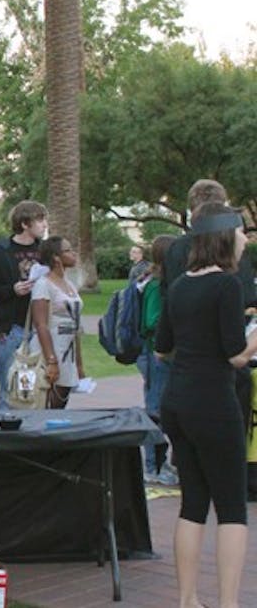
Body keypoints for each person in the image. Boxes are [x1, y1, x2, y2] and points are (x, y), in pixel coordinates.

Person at [154, 202, 257, 608]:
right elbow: (235, 355)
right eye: (241, 232)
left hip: (177, 400)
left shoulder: (180, 284)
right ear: (224, 237)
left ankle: (187, 599)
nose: (246, 239)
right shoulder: (227, 286)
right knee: (232, 507)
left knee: (193, 502)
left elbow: (162, 348)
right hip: (213, 402)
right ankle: (229, 603)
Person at [0, 200, 47, 411]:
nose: (44, 225)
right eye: (40, 220)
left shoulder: (44, 251)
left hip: (40, 327)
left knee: (34, 388)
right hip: (12, 328)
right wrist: (11, 290)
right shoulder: (0, 251)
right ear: (25, 223)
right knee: (10, 384)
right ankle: (6, 432)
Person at [138, 234, 178, 485]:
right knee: (156, 410)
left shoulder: (167, 283)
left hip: (167, 354)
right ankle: (153, 466)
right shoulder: (155, 285)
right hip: (156, 354)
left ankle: (163, 462)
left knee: (166, 409)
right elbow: (151, 321)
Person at [28, 237, 84, 409]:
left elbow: (75, 324)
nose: (73, 253)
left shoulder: (69, 284)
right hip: (49, 349)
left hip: (67, 350)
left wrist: (79, 364)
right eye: (68, 250)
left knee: (60, 402)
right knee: (46, 403)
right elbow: (40, 324)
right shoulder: (43, 284)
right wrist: (51, 360)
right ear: (56, 257)